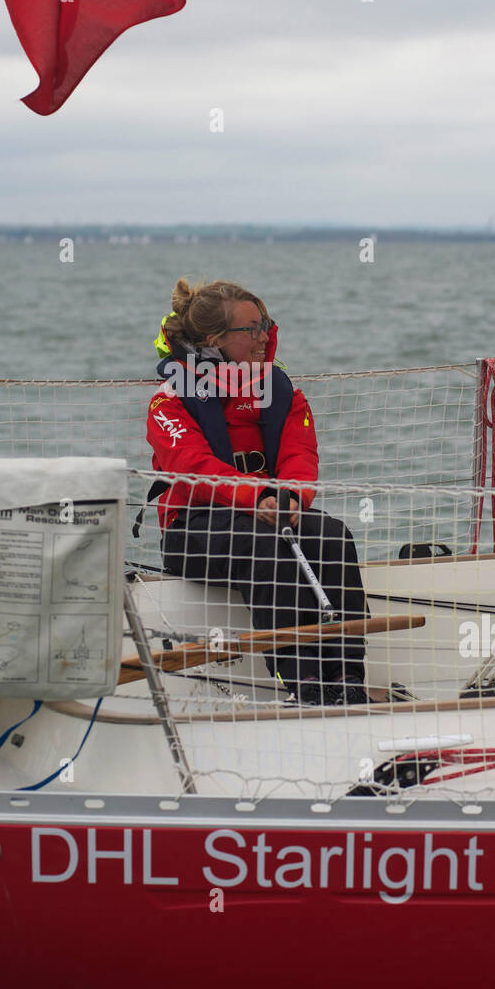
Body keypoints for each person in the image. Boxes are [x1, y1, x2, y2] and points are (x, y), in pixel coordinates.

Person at [145, 278, 388, 705]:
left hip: (271, 513)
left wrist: (294, 498)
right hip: (194, 529)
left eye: (266, 325)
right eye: (252, 329)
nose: (264, 337)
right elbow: (192, 467)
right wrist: (256, 498)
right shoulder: (169, 402)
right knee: (264, 545)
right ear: (214, 340)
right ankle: (304, 684)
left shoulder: (283, 392)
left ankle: (347, 677)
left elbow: (299, 452)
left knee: (333, 536)